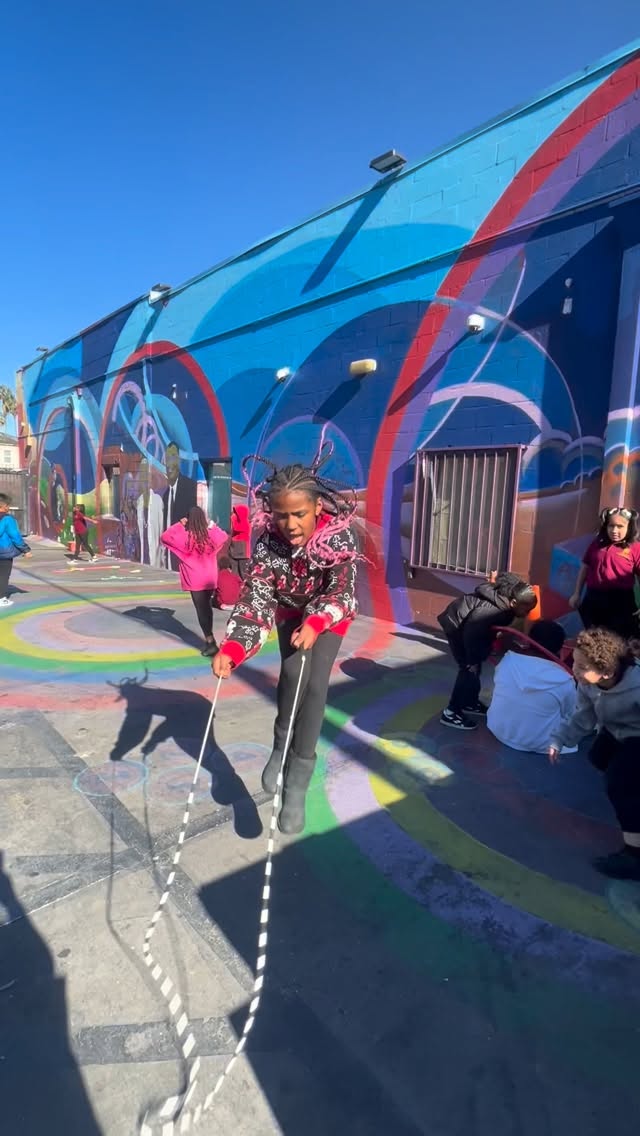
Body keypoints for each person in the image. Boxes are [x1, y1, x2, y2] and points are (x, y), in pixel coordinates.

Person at [212, 448, 359, 834]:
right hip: (289, 610)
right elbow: (256, 597)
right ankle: (280, 745)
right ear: (270, 512)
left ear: (316, 508)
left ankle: (298, 778)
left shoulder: (339, 537)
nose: (290, 524)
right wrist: (233, 648)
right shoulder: (268, 544)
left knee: (314, 684)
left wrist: (316, 621)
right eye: (281, 514)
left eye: (299, 514)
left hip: (328, 615)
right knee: (292, 674)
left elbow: (342, 592)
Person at [549, 627, 640, 880]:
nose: (574, 669)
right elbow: (583, 716)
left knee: (620, 785)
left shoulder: (637, 686)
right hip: (616, 731)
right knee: (598, 758)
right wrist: (559, 739)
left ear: (607, 672)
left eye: (581, 666)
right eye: (575, 662)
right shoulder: (589, 686)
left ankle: (635, 856)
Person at [438, 572, 538, 730]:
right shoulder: (495, 610)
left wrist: (485, 646)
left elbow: (484, 629)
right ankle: (451, 712)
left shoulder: (505, 605)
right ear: (513, 602)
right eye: (526, 610)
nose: (527, 614)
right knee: (468, 668)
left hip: (467, 626)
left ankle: (470, 702)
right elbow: (472, 630)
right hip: (457, 625)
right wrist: (474, 655)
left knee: (474, 666)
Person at [487, 620, 577, 753]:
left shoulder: (508, 660)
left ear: (529, 641)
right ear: (559, 648)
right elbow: (570, 714)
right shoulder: (565, 681)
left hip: (498, 729)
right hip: (540, 743)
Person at [160, 506, 228, 656]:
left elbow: (165, 537)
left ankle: (210, 641)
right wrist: (212, 525)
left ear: (188, 519)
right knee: (207, 608)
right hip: (210, 577)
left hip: (194, 578)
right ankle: (210, 639)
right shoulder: (210, 536)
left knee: (201, 609)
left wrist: (180, 524)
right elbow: (223, 536)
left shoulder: (184, 537)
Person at [569, 507, 640, 639]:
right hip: (594, 599)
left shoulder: (635, 548)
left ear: (629, 527)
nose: (614, 530)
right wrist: (577, 593)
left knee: (618, 641)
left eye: (620, 526)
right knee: (593, 638)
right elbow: (585, 568)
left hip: (621, 602)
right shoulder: (597, 544)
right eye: (611, 526)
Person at [162, 441, 198, 570]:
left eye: (173, 457)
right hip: (168, 557)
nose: (169, 463)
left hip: (185, 557)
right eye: (167, 458)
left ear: (179, 460)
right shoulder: (165, 495)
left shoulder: (191, 487)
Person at [0, 493, 32, 607]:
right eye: (7, 505)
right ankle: (1, 598)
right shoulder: (7, 519)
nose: (8, 508)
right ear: (3, 506)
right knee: (3, 575)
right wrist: (26, 550)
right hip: (4, 552)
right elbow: (15, 536)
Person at [136, 459, 163, 568]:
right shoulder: (139, 501)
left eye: (146, 476)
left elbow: (162, 529)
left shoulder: (157, 500)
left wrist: (163, 556)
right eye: (141, 476)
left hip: (155, 551)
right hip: (143, 551)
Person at [228, 503, 251, 580]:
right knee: (234, 574)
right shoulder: (235, 521)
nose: (234, 515)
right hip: (233, 551)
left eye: (236, 513)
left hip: (243, 553)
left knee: (243, 573)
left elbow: (237, 528)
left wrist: (233, 518)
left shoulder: (246, 524)